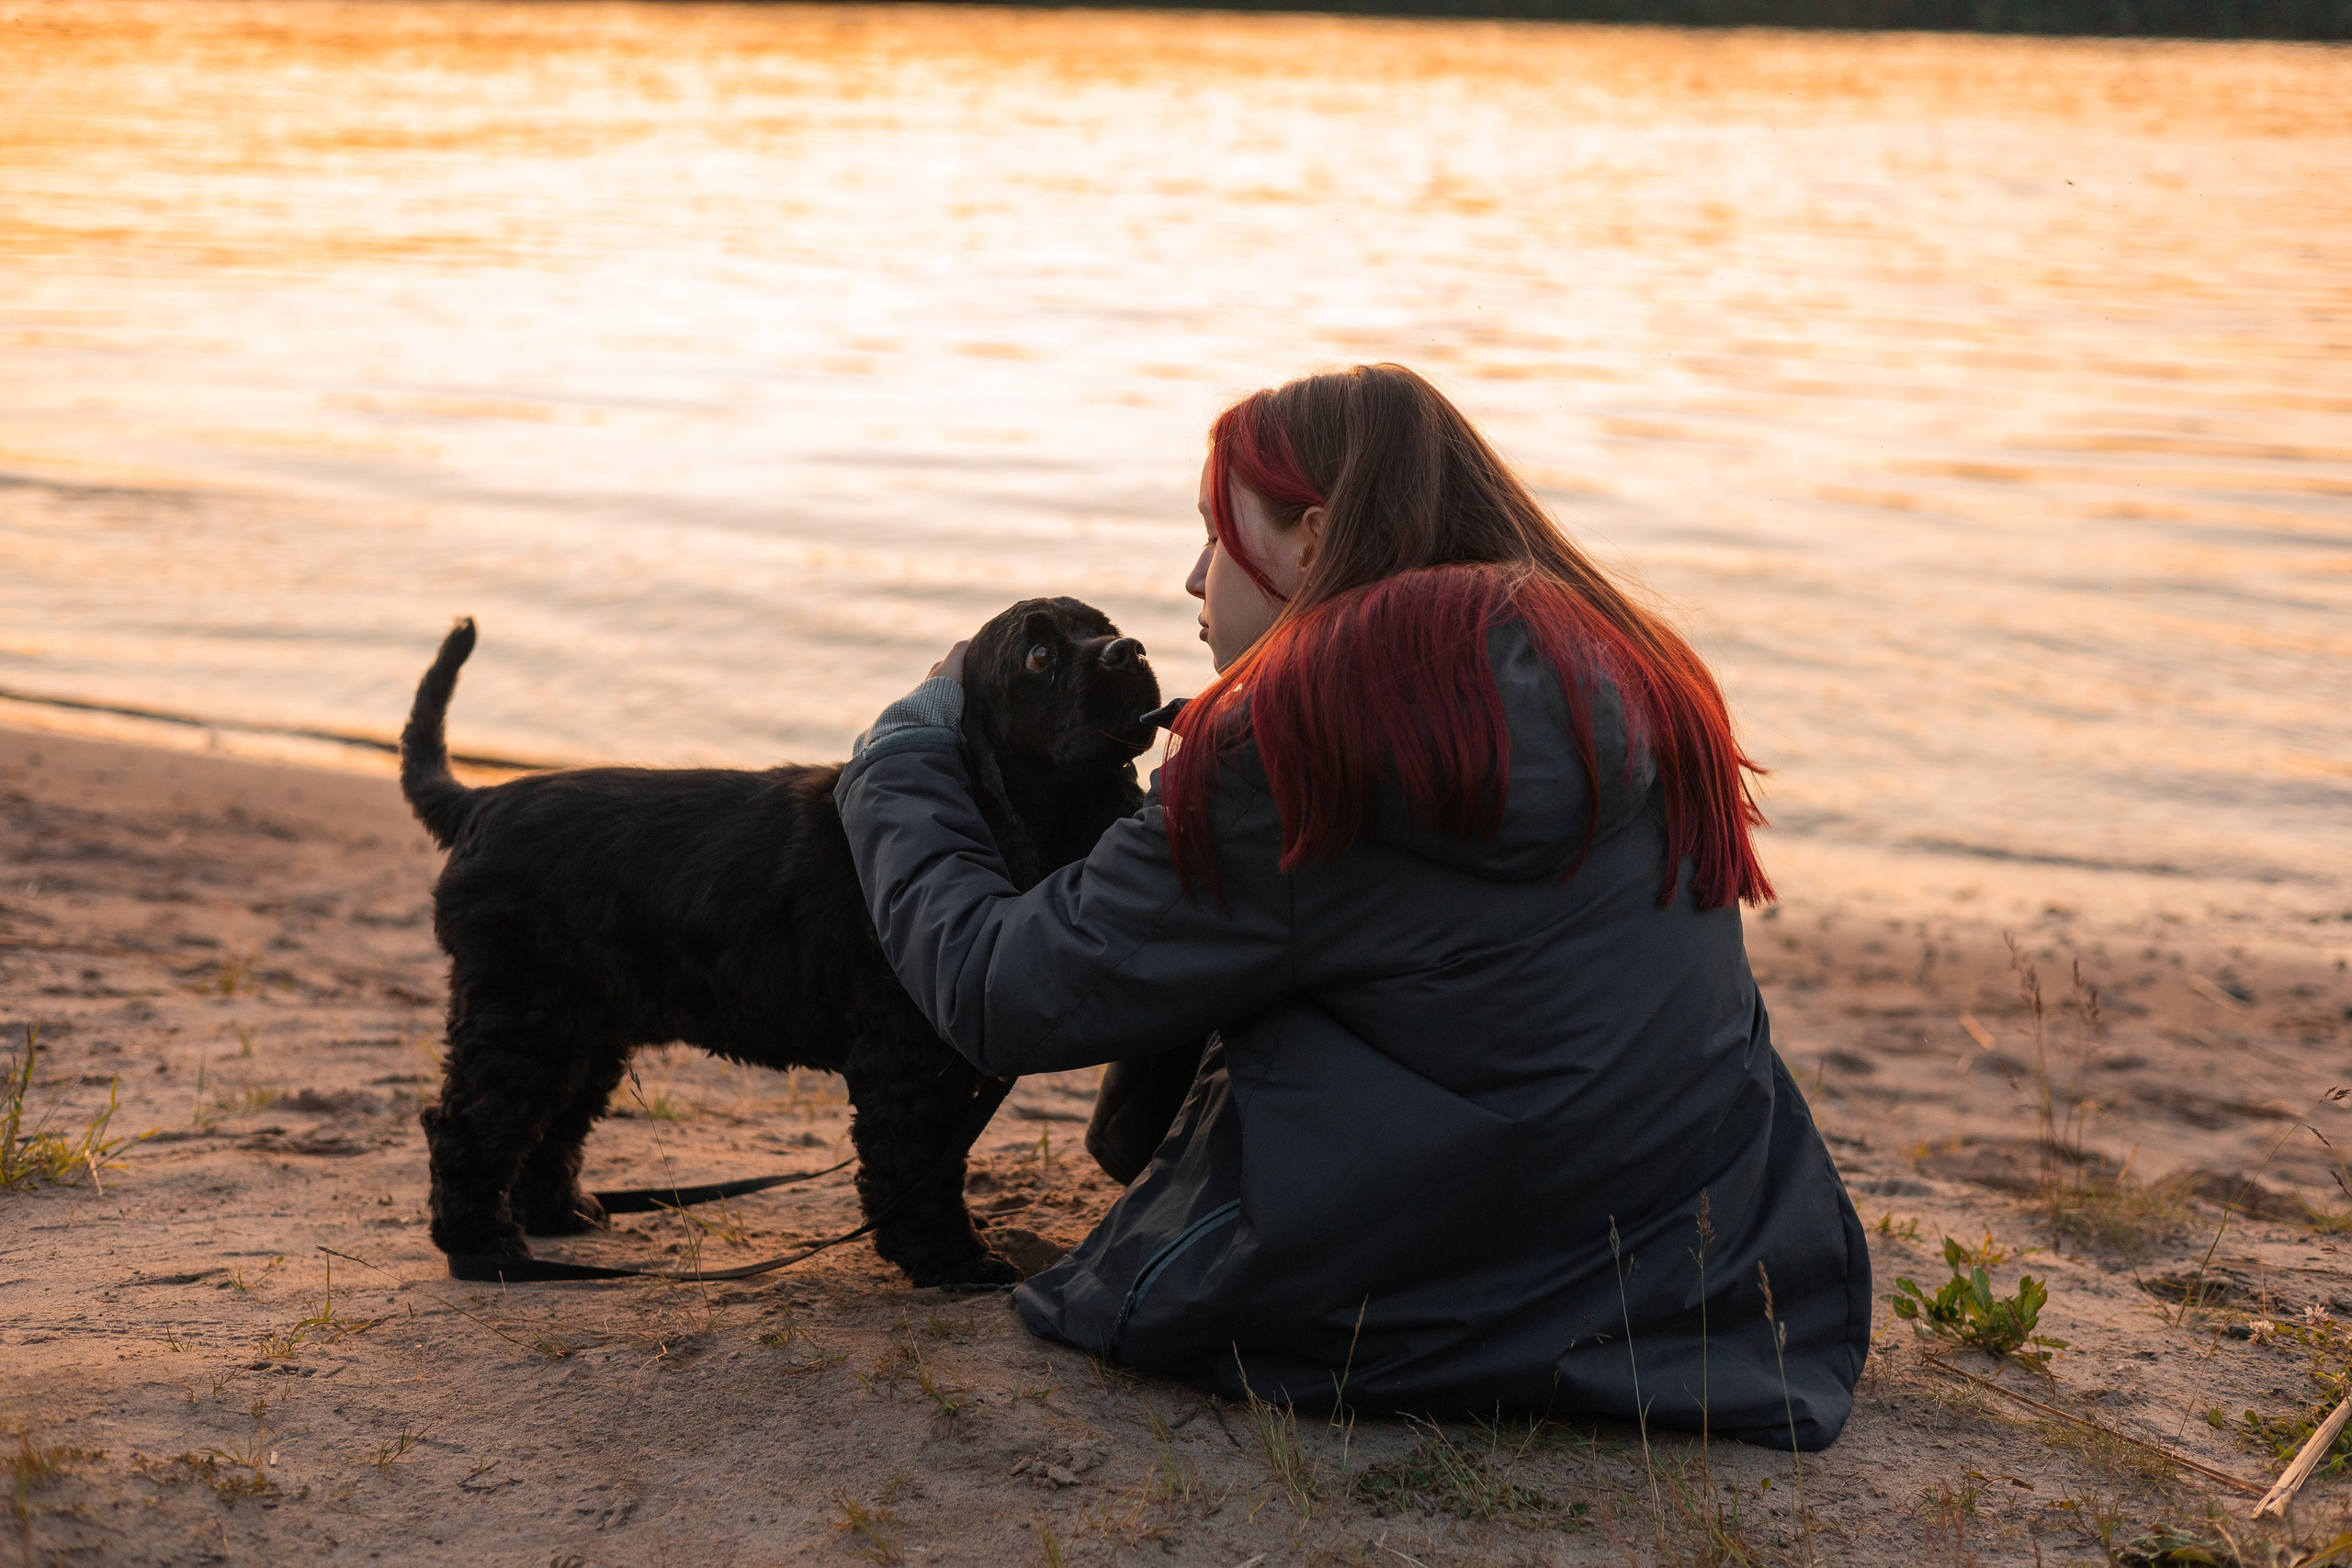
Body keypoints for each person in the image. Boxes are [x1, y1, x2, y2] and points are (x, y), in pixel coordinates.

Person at [834, 364, 1869, 1448]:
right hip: (1712, 1281)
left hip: (1425, 1307)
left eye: (1213, 535)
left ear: (1315, 543)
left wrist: (905, 753)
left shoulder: (1307, 740)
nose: (1194, 578)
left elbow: (1001, 989)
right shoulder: (1620, 663)